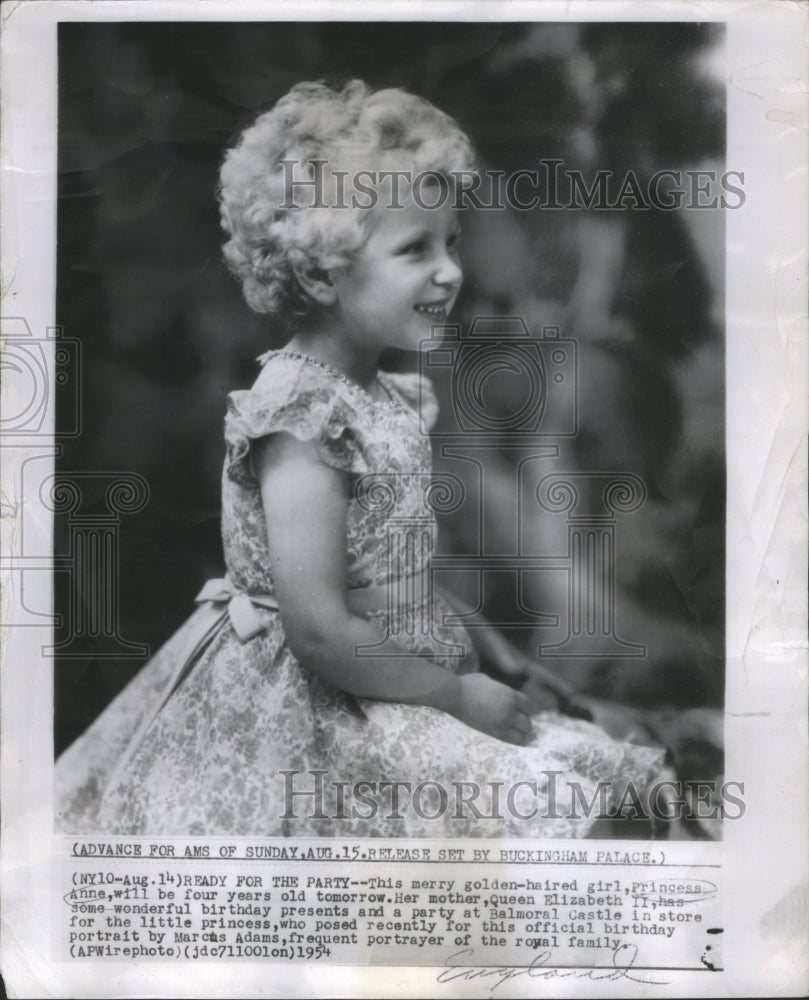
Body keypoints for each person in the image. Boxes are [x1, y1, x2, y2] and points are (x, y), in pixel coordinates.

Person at [56, 79, 666, 837]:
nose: (450, 271)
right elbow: (318, 628)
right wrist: (454, 695)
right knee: (552, 814)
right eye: (415, 249)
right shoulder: (300, 412)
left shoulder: (389, 395)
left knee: (607, 782)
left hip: (406, 666)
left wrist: (500, 658)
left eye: (450, 243)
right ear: (321, 273)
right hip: (323, 700)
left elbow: (400, 581)